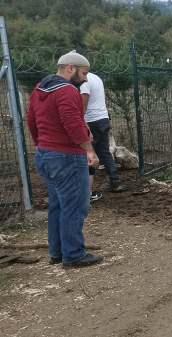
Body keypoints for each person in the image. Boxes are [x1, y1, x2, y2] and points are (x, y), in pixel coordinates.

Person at [26, 50, 103, 268]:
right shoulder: (67, 91)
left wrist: (41, 144)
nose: (86, 78)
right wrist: (89, 150)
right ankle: (74, 255)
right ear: (71, 68)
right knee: (75, 206)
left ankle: (57, 252)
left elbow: (31, 120)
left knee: (58, 205)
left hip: (46, 154)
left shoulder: (41, 88)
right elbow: (73, 123)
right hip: (67, 157)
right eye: (84, 73)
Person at [80, 71, 127, 201]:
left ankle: (87, 192)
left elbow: (82, 107)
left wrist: (82, 122)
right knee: (104, 152)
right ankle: (115, 182)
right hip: (103, 118)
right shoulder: (96, 77)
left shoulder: (84, 82)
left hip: (91, 121)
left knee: (88, 154)